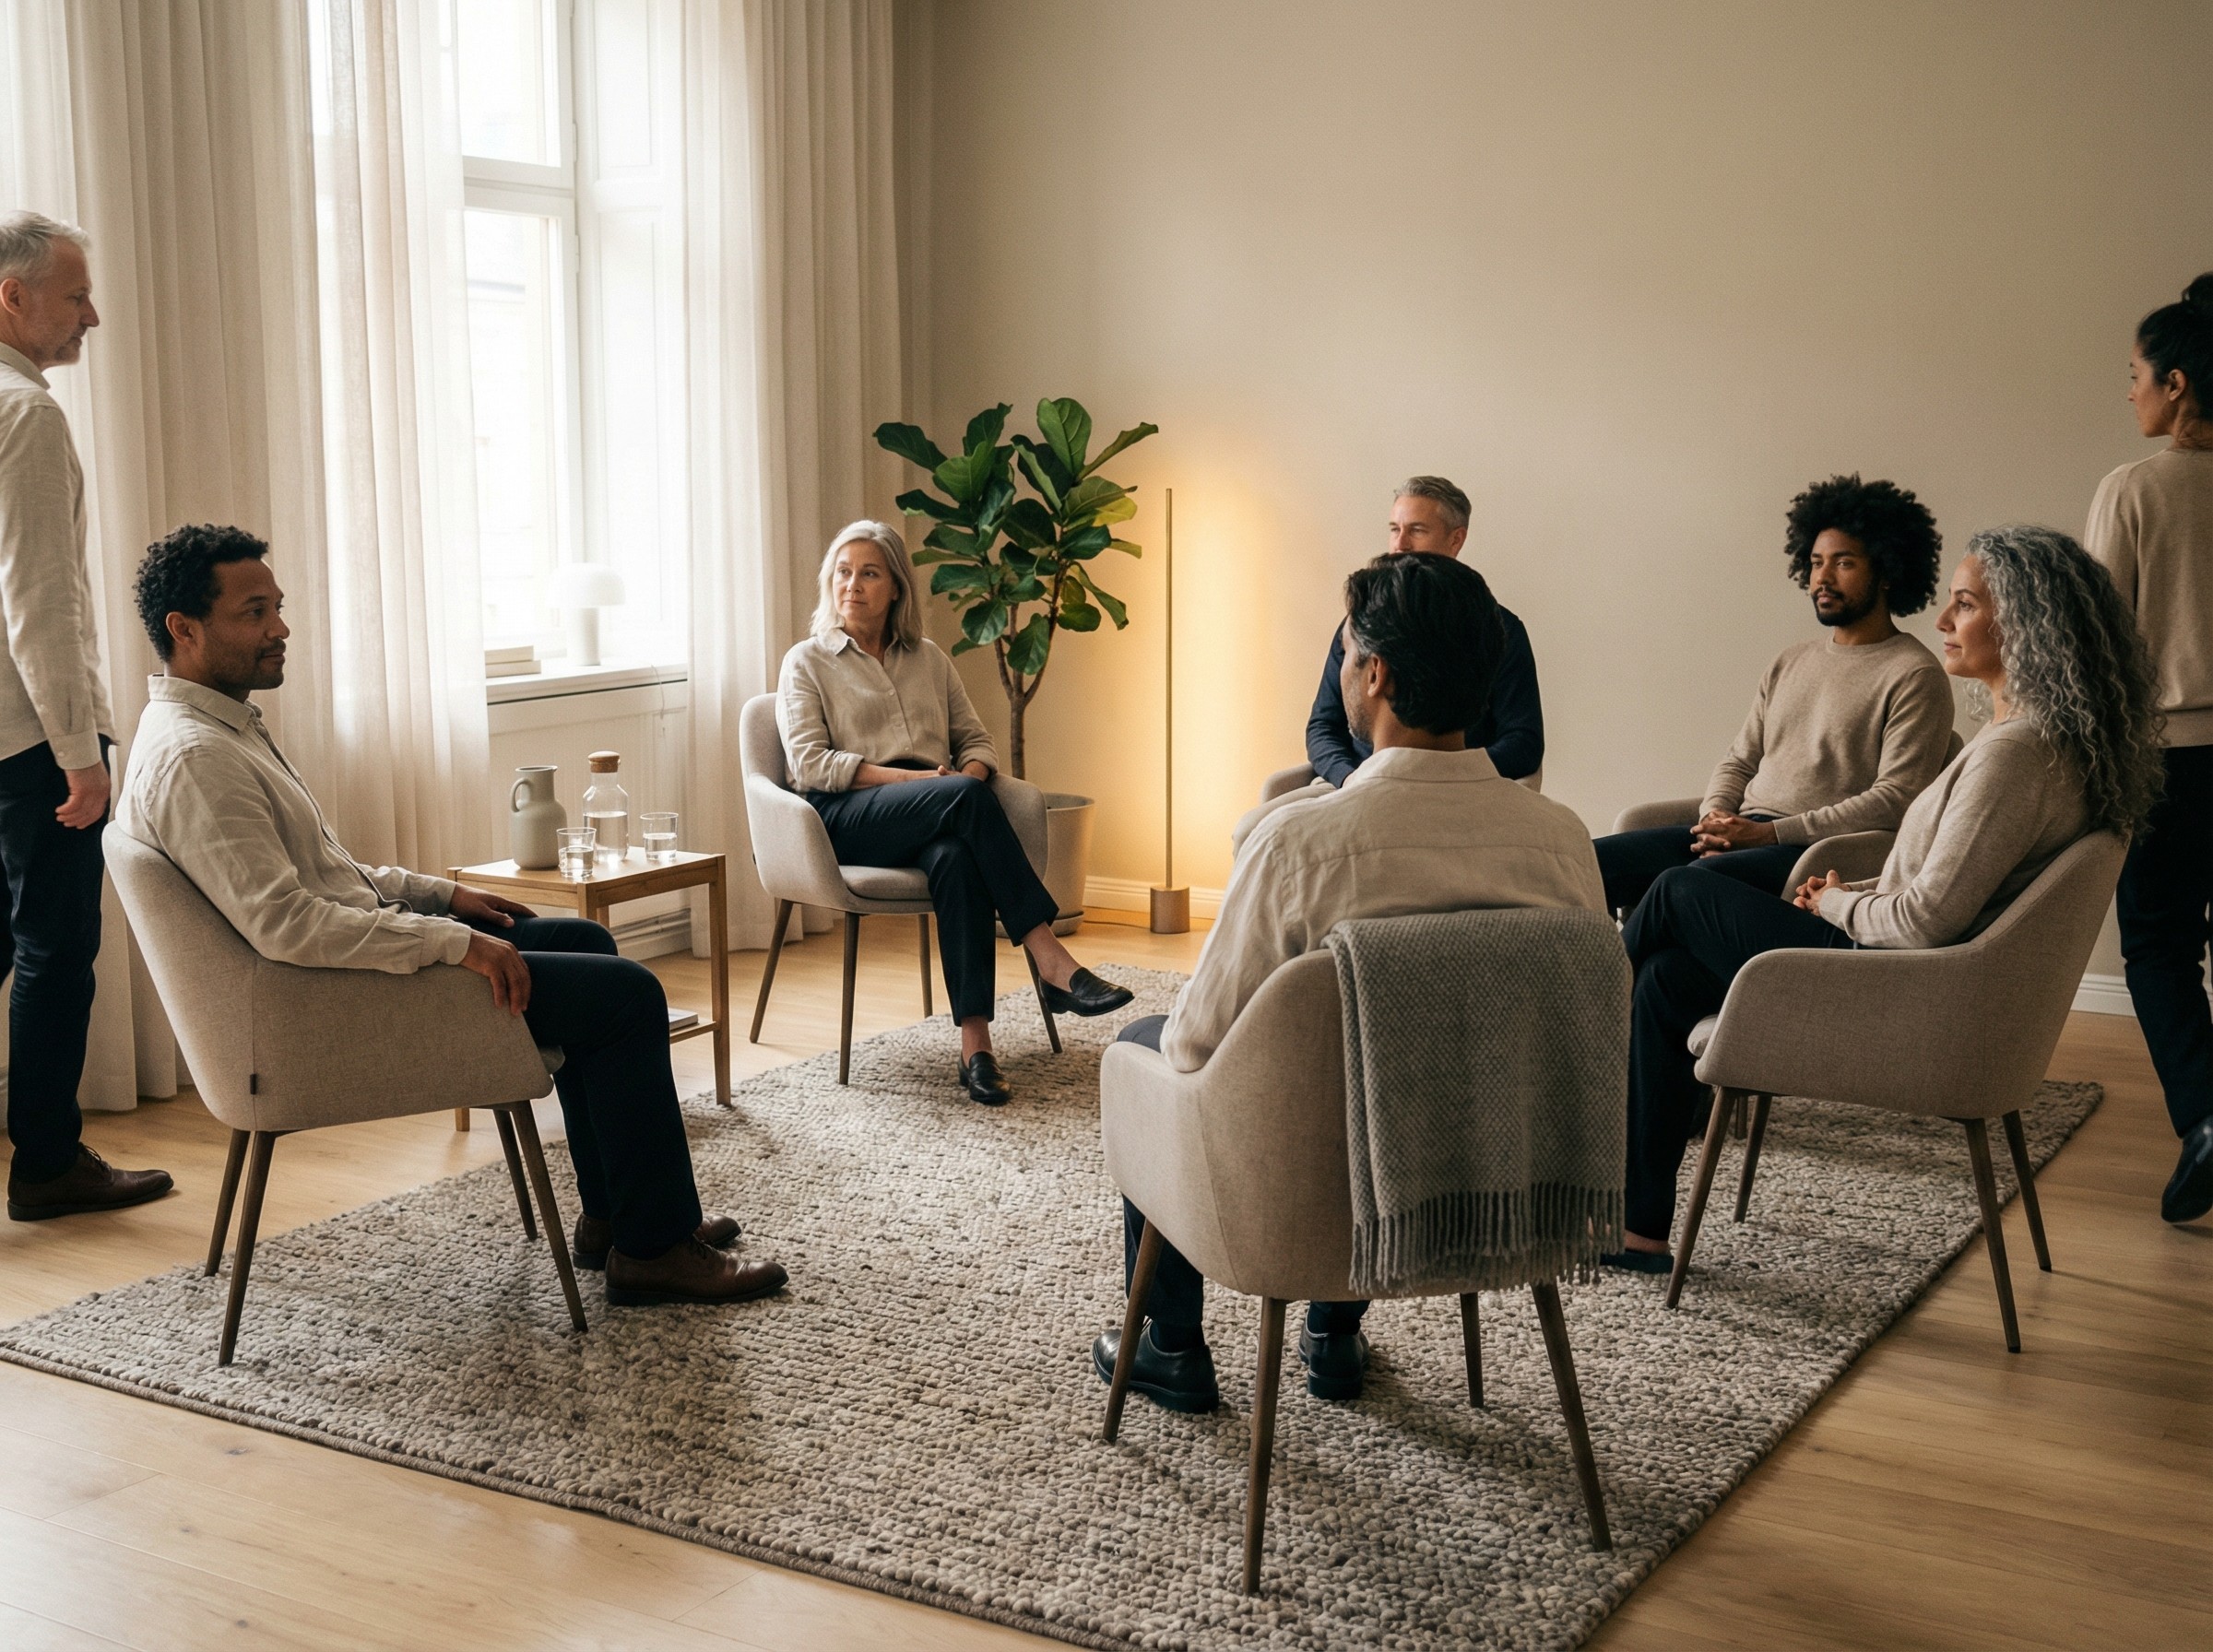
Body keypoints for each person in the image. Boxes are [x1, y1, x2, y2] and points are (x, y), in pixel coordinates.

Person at [116, 525, 783, 1304]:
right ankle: (653, 1251)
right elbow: (289, 924)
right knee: (627, 996)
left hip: (338, 972)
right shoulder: (198, 757)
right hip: (323, 1009)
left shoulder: (222, 729)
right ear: (184, 630)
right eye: (254, 613)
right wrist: (449, 942)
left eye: (279, 608)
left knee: (587, 942)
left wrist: (441, 897)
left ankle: (618, 1219)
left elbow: (327, 873)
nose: (281, 629)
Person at [1095, 552, 1605, 1411]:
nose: (1339, 672)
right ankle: (1334, 1332)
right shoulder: (1564, 842)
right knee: (1378, 1051)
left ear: (1376, 674)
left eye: (1343, 656)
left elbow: (1197, 1042)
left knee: (1144, 1046)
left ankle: (1169, 1344)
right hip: (1489, 1176)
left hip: (1302, 1200)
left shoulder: (1301, 848)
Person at [1607, 526, 2162, 1271]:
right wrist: (1844, 891)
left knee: (1678, 891)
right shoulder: (2043, 742)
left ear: (2023, 625)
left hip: (1893, 981)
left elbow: (1928, 916)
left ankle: (1570, 1030)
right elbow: (1933, 879)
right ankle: (1637, 1229)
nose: (1942, 622)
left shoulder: (2013, 758)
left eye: (1963, 606)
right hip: (1904, 965)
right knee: (1670, 979)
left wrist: (1836, 904)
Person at [776, 520, 1133, 1105]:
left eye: (869, 573)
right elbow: (812, 766)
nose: (854, 585)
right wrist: (929, 784)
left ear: (896, 587)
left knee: (955, 854)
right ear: (829, 583)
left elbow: (977, 743)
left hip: (935, 810)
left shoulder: (929, 659)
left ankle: (977, 1047)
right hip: (844, 818)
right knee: (963, 802)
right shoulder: (807, 662)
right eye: (843, 573)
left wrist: (960, 780)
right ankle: (1050, 960)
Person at [0, 211, 173, 1221]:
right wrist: (81, 753)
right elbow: (41, 602)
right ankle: (50, 1164)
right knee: (55, 953)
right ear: (13, 298)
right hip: (29, 742)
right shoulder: (26, 416)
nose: (93, 317)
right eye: (75, 296)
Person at [1592, 475, 1954, 916]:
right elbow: (1739, 760)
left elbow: (1895, 799)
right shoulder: (1789, 661)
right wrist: (1715, 820)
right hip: (1746, 831)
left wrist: (1769, 834)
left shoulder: (1914, 674)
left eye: (1843, 563)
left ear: (1886, 571)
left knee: (1676, 886)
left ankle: (1604, 985)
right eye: (1817, 562)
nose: (1823, 577)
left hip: (1810, 852)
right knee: (1586, 864)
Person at [2087, 272, 2213, 1225]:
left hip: (2171, 758)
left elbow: (2101, 651)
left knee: (2161, 947)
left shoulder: (2134, 490)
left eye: (2134, 373)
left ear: (2175, 384)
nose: (2126, 390)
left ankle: (2206, 1120)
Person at [1306, 475, 1544, 784]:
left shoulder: (1499, 629)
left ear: (1456, 539)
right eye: (1395, 529)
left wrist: (1442, 778)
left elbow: (1523, 742)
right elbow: (1323, 726)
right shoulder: (1360, 624)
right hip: (1355, 787)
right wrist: (1350, 779)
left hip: (1461, 792)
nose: (1400, 544)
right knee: (1254, 826)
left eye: (1416, 530)